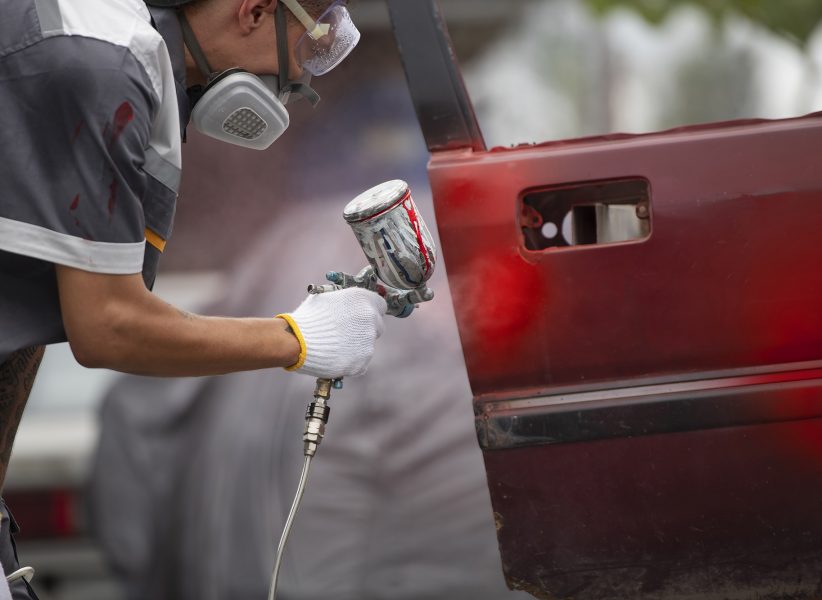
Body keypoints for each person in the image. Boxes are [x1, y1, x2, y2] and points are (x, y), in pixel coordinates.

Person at [0, 0, 385, 597]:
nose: (299, 80)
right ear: (254, 12)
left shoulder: (107, 43)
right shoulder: (109, 63)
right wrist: (298, 338)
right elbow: (107, 326)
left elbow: (28, 309)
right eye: (307, 46)